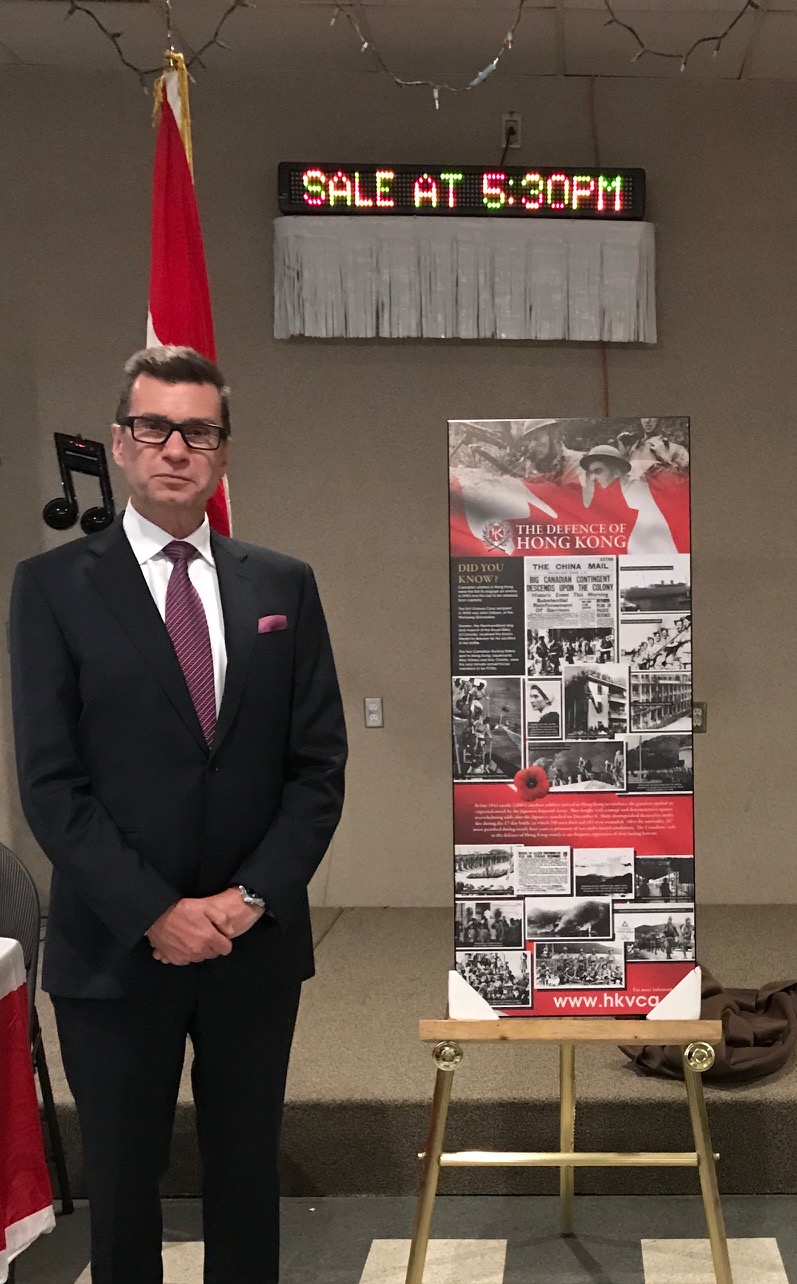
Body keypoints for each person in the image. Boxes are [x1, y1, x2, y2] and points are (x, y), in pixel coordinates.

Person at [9, 346, 348, 1284]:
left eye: (197, 430)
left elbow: (317, 770)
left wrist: (244, 900)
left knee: (247, 1176)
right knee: (123, 1187)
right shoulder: (51, 590)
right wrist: (156, 911)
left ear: (222, 452)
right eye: (154, 427)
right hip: (116, 948)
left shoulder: (282, 585)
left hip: (253, 941)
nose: (175, 448)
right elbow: (50, 784)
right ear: (120, 444)